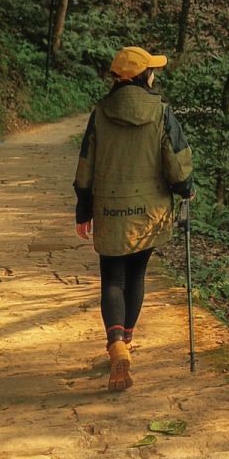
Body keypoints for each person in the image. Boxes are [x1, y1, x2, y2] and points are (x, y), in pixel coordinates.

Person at [73, 46, 193, 391]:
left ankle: (115, 346)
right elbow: (176, 161)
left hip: (109, 208)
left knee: (112, 278)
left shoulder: (100, 113)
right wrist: (186, 188)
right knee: (136, 274)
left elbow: (86, 166)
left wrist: (84, 209)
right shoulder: (161, 111)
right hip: (149, 211)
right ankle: (127, 341)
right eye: (152, 71)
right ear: (145, 77)